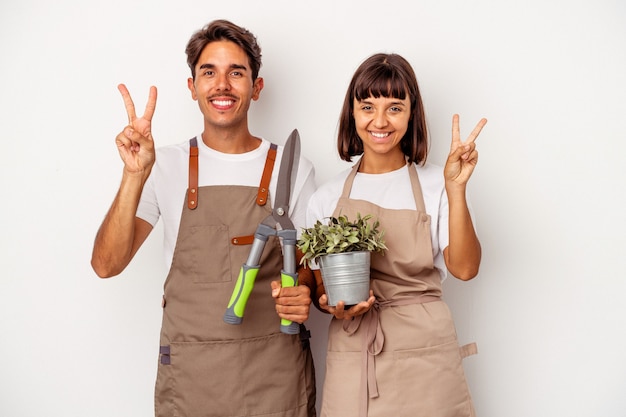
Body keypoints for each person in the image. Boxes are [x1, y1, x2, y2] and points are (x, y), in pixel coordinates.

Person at [91, 19, 317, 417]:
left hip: (275, 375)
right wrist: (133, 175)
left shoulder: (292, 167)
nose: (222, 85)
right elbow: (107, 264)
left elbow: (307, 269)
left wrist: (303, 290)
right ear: (192, 87)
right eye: (208, 72)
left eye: (237, 72)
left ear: (256, 87)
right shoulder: (164, 165)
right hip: (192, 375)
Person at [305, 53, 487, 417]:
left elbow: (465, 269)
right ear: (352, 113)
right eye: (368, 106)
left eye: (395, 107)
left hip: (426, 354)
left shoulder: (438, 183)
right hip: (355, 352)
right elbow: (320, 290)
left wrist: (456, 190)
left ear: (411, 114)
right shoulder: (326, 196)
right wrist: (329, 304)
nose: (380, 121)